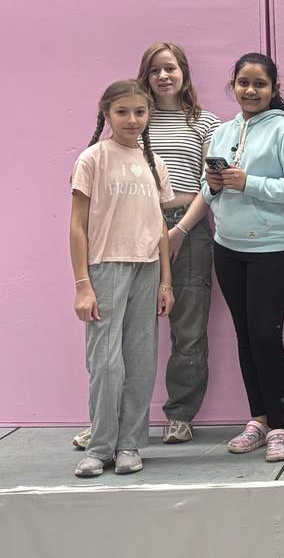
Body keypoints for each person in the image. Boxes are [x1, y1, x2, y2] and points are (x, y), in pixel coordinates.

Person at [72, 43, 220, 450]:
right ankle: (107, 426)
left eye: (170, 68)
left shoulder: (205, 122)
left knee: (187, 328)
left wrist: (181, 231)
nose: (163, 76)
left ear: (184, 72)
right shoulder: (136, 117)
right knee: (116, 341)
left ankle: (179, 415)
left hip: (188, 228)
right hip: (130, 232)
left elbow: (211, 184)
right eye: (154, 70)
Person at [202, 53, 284, 463]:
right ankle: (258, 419)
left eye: (259, 84)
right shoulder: (221, 131)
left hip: (271, 249)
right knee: (245, 338)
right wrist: (214, 184)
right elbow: (205, 190)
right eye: (243, 83)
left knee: (267, 336)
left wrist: (249, 182)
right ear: (233, 85)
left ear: (273, 88)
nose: (250, 91)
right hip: (227, 247)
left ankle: (281, 428)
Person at [70, 80, 175, 477]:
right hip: (105, 268)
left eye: (140, 112)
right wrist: (83, 284)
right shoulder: (92, 159)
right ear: (107, 113)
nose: (133, 120)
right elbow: (77, 226)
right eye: (123, 112)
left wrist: (166, 282)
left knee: (141, 362)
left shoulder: (154, 162)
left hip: (147, 269)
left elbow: (160, 227)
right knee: (106, 364)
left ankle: (129, 444)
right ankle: (99, 447)